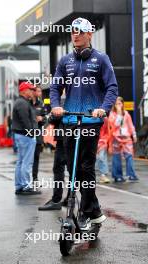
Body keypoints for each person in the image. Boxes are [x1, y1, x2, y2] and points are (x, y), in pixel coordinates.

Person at [50, 17, 118, 231]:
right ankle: (95, 211)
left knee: (86, 167)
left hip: (90, 120)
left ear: (90, 34)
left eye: (80, 31)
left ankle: (87, 213)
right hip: (69, 119)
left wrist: (103, 109)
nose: (75, 35)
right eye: (72, 31)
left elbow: (112, 88)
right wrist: (55, 106)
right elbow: (54, 88)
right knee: (72, 169)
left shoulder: (101, 59)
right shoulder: (65, 61)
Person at [12, 82, 41, 195]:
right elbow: (26, 121)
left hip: (21, 134)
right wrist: (32, 133)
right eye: (30, 89)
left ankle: (20, 185)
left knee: (21, 161)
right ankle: (26, 186)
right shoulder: (22, 103)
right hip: (25, 135)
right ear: (24, 90)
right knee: (26, 162)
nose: (32, 92)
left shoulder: (21, 102)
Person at [38, 115, 67, 210]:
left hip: (63, 136)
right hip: (75, 135)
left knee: (58, 168)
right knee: (73, 168)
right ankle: (70, 198)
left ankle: (56, 200)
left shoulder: (62, 101)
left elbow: (53, 118)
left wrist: (50, 116)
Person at [108, 96, 138, 182]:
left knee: (129, 156)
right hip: (116, 138)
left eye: (120, 103)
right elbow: (114, 125)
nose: (118, 105)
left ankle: (131, 175)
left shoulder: (126, 114)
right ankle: (117, 176)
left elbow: (130, 125)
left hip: (126, 138)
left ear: (122, 104)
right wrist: (118, 113)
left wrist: (134, 135)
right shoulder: (112, 114)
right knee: (116, 157)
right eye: (117, 104)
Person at [32, 85, 47, 184]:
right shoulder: (27, 102)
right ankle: (24, 179)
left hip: (37, 135)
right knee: (27, 158)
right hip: (27, 135)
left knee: (36, 157)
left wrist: (42, 119)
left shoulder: (41, 103)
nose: (39, 93)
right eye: (38, 91)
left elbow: (45, 119)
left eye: (40, 91)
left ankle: (35, 178)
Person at [96, 117, 110, 183]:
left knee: (101, 157)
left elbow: (107, 131)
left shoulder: (105, 119)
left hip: (102, 142)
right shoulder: (90, 117)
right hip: (92, 140)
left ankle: (103, 175)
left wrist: (105, 140)